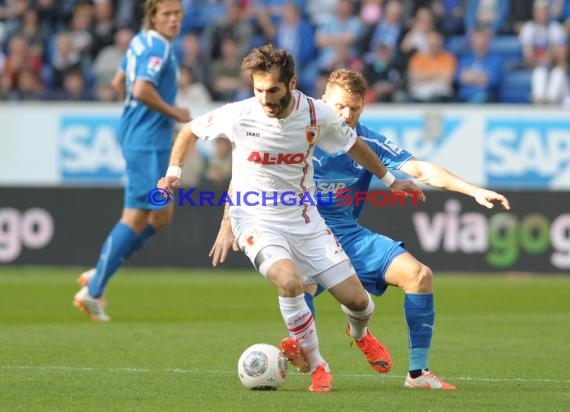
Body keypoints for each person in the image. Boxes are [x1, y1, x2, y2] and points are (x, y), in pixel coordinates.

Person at [210, 68, 511, 390]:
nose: (346, 114)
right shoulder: (295, 128)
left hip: (348, 235)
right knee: (300, 286)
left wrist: (473, 190)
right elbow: (246, 174)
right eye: (339, 106)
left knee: (418, 276)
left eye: (354, 108)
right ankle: (314, 362)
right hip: (299, 232)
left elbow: (421, 169)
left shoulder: (364, 141)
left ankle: (416, 373)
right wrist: (228, 220)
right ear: (323, 101)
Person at [159, 44, 424, 392]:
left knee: (359, 303)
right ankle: (318, 365)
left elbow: (354, 145)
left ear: (292, 83)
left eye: (273, 90)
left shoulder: (317, 114)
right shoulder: (240, 114)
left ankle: (359, 332)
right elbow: (190, 130)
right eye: (258, 90)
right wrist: (174, 171)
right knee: (289, 281)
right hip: (254, 218)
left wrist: (389, 180)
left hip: (304, 219)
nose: (265, 99)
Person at [73, 0, 191, 321]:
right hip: (146, 142)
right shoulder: (157, 46)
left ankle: (98, 272)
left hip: (146, 138)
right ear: (152, 16)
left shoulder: (140, 41)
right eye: (166, 14)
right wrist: (174, 111)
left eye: (178, 14)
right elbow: (139, 89)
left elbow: (118, 82)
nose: (173, 19)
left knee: (162, 216)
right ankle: (94, 290)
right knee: (138, 216)